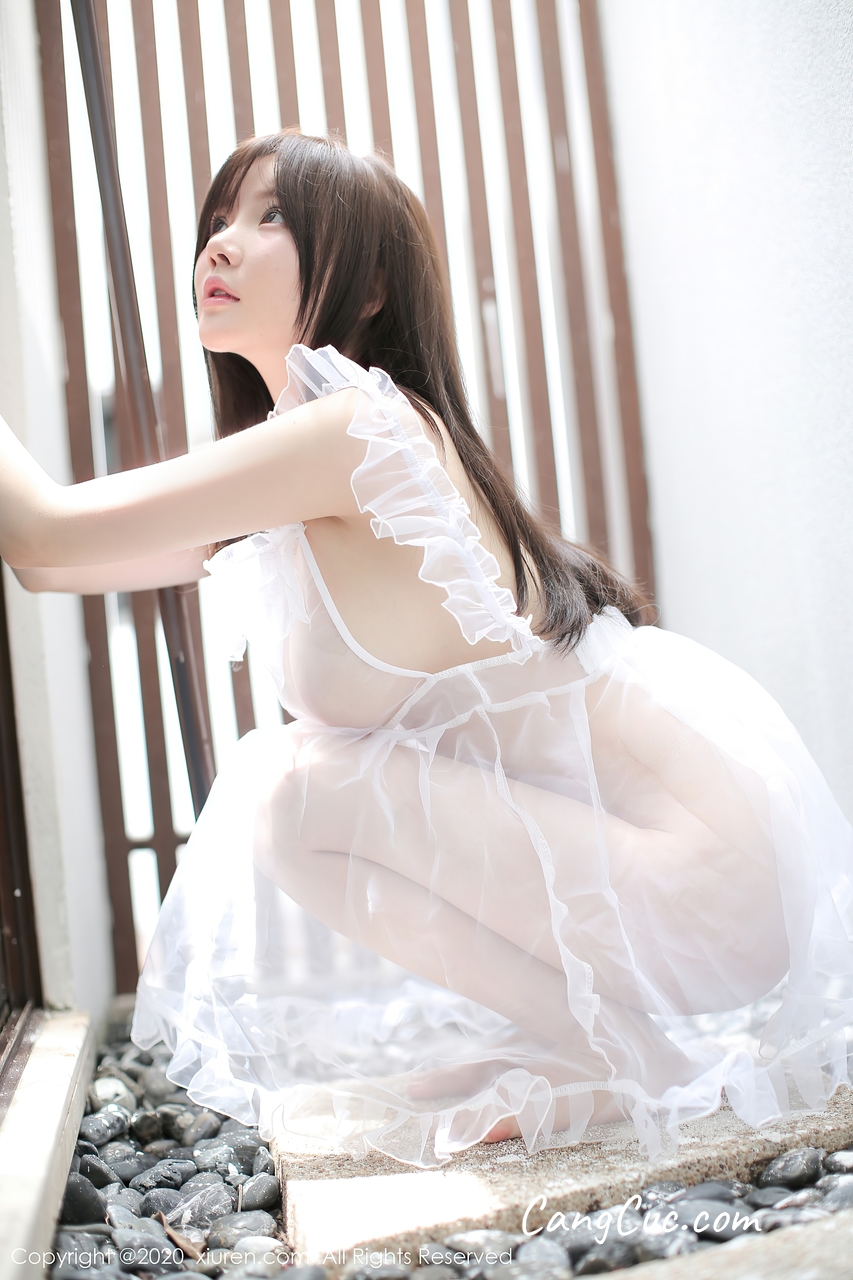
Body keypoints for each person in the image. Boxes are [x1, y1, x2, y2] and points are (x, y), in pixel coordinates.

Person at [2, 130, 852, 1170]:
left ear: (367, 289)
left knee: (298, 791)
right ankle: (584, 1036)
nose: (219, 244)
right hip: (675, 874)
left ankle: (606, 1048)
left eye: (272, 217)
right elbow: (44, 561)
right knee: (294, 789)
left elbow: (42, 532)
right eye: (220, 218)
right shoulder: (322, 449)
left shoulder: (354, 433)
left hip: (703, 873)